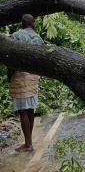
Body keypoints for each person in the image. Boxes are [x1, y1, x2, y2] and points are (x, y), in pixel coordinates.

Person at [8, 14, 44, 152]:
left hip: (20, 76)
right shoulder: (38, 38)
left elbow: (10, 59)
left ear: (21, 24)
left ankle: (28, 144)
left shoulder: (15, 36)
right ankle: (29, 141)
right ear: (33, 24)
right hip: (33, 76)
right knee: (30, 110)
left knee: (23, 111)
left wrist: (9, 76)